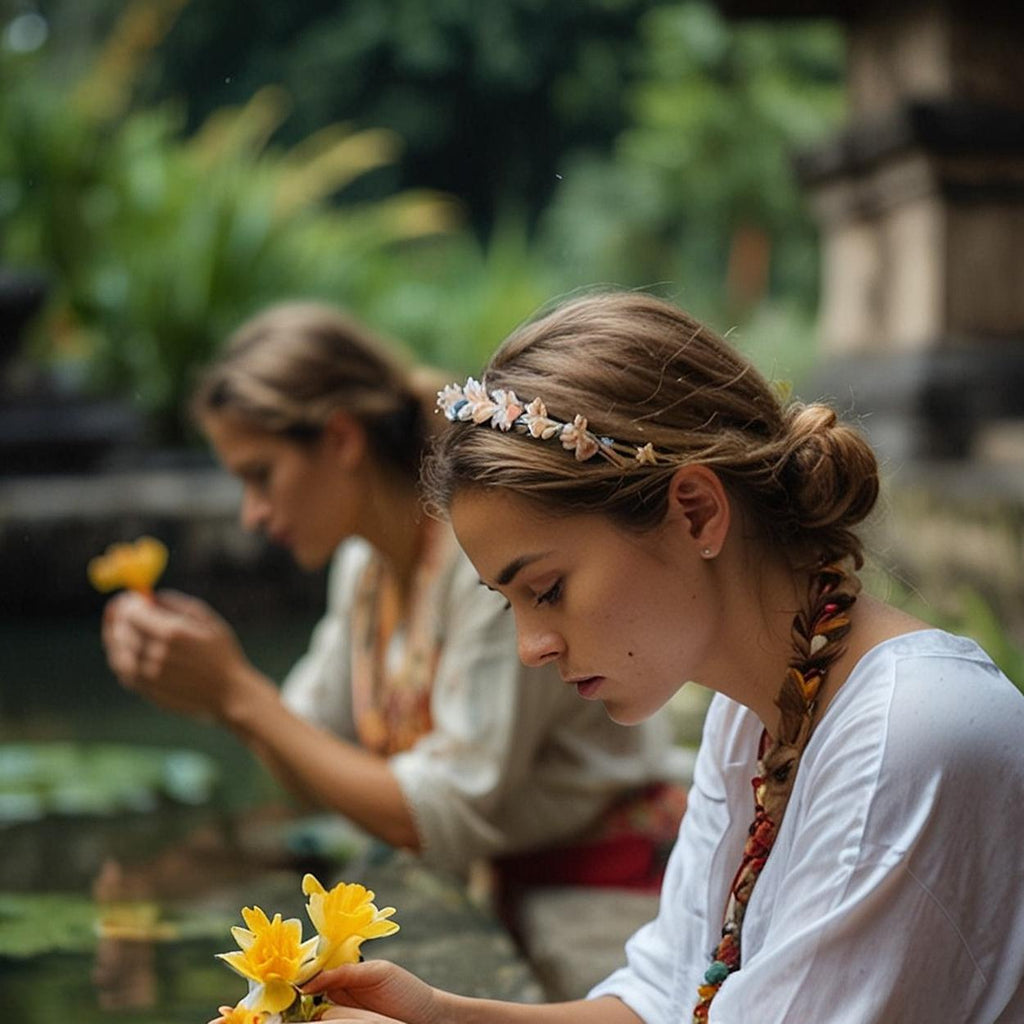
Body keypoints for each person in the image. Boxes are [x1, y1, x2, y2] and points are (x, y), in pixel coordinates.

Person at [301, 291, 1024, 1023]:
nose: (530, 648)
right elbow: (665, 998)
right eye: (505, 602)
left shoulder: (911, 739)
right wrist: (436, 1017)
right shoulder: (754, 718)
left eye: (547, 589)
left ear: (696, 512)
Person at [100, 301, 686, 936]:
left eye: (261, 476)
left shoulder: (482, 569)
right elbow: (305, 763)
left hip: (608, 900)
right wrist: (213, 692)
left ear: (342, 439)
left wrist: (237, 693)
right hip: (502, 890)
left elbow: (441, 816)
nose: (253, 514)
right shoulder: (364, 569)